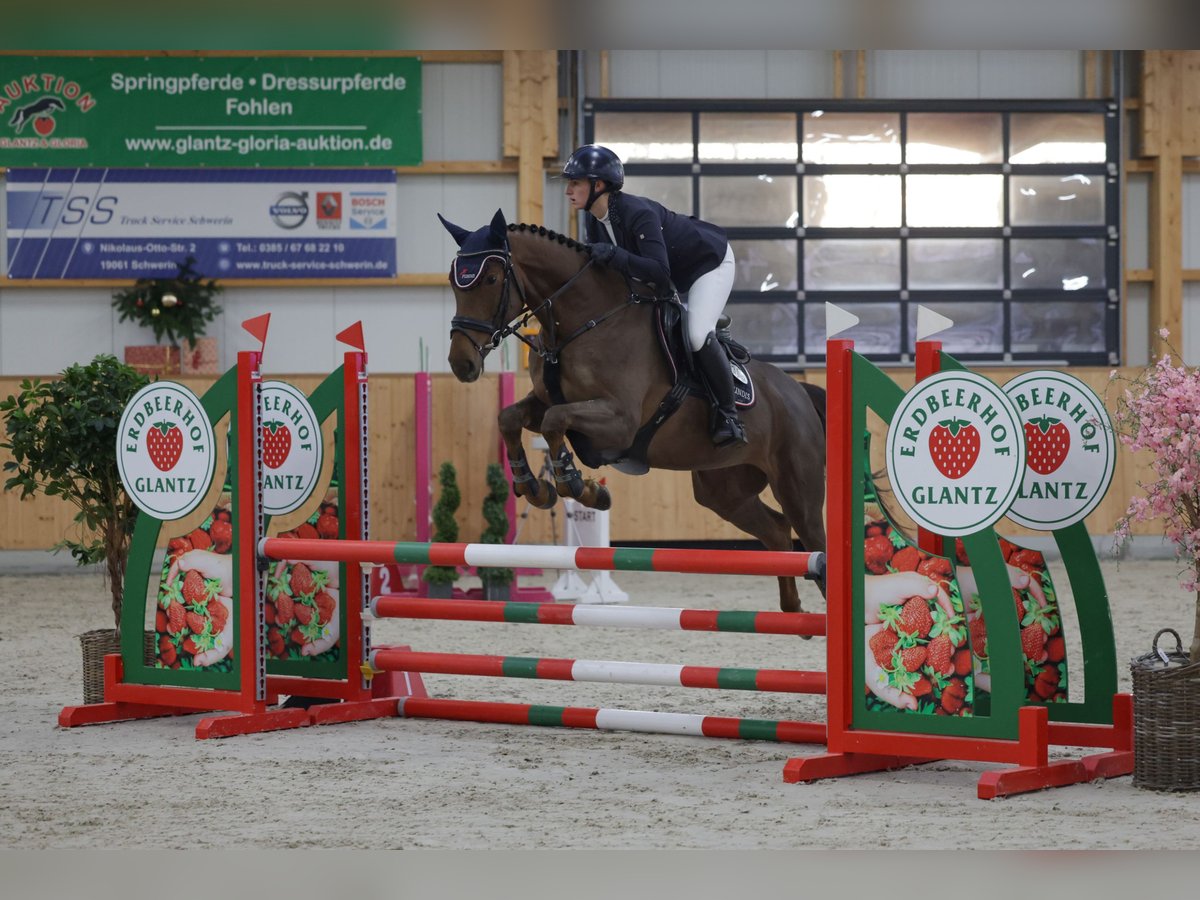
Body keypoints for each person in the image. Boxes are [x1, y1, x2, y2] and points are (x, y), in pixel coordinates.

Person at [562, 144, 746, 447]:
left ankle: (728, 415)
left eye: (575, 182)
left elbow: (659, 272)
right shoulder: (594, 220)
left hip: (708, 263)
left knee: (697, 334)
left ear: (598, 185)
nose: (568, 189)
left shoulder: (638, 213)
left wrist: (615, 255)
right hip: (671, 274)